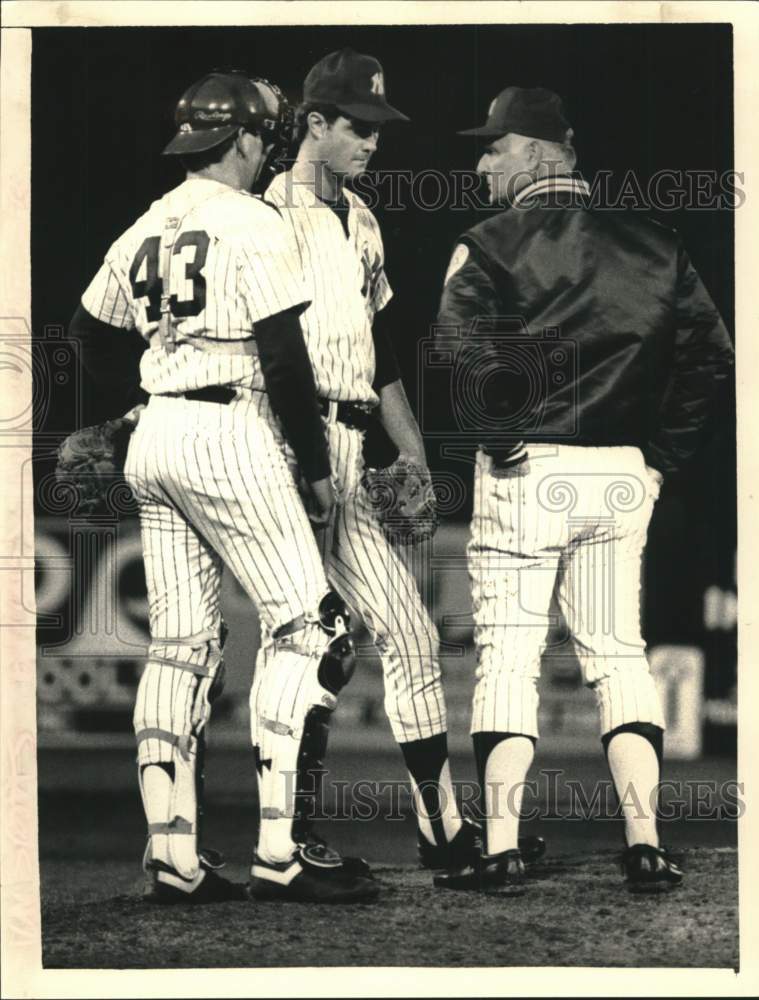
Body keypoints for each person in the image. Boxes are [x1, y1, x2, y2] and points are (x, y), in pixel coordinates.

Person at [71, 70, 379, 904]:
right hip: (230, 427)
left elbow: (87, 334)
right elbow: (282, 356)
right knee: (315, 630)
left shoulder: (146, 223)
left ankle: (172, 857)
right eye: (263, 134)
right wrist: (315, 471)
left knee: (179, 647)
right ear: (244, 140)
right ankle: (280, 853)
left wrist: (140, 402)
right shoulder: (252, 219)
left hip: (160, 433)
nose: (268, 145)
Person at [433, 87, 734, 893]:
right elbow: (711, 358)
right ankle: (644, 841)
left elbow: (459, 358)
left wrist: (500, 443)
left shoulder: (488, 242)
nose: (481, 163)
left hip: (528, 469)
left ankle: (498, 845)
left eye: (492, 147)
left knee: (506, 657)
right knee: (617, 653)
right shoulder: (655, 242)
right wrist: (659, 458)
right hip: (621, 474)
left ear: (536, 153)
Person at [256, 49, 547, 875]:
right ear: (313, 122)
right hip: (274, 446)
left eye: (379, 127)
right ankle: (282, 836)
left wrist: (412, 451)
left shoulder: (362, 220)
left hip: (348, 446)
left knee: (413, 638)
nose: (373, 142)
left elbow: (379, 357)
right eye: (358, 125)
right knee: (306, 644)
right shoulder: (259, 217)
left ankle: (442, 831)